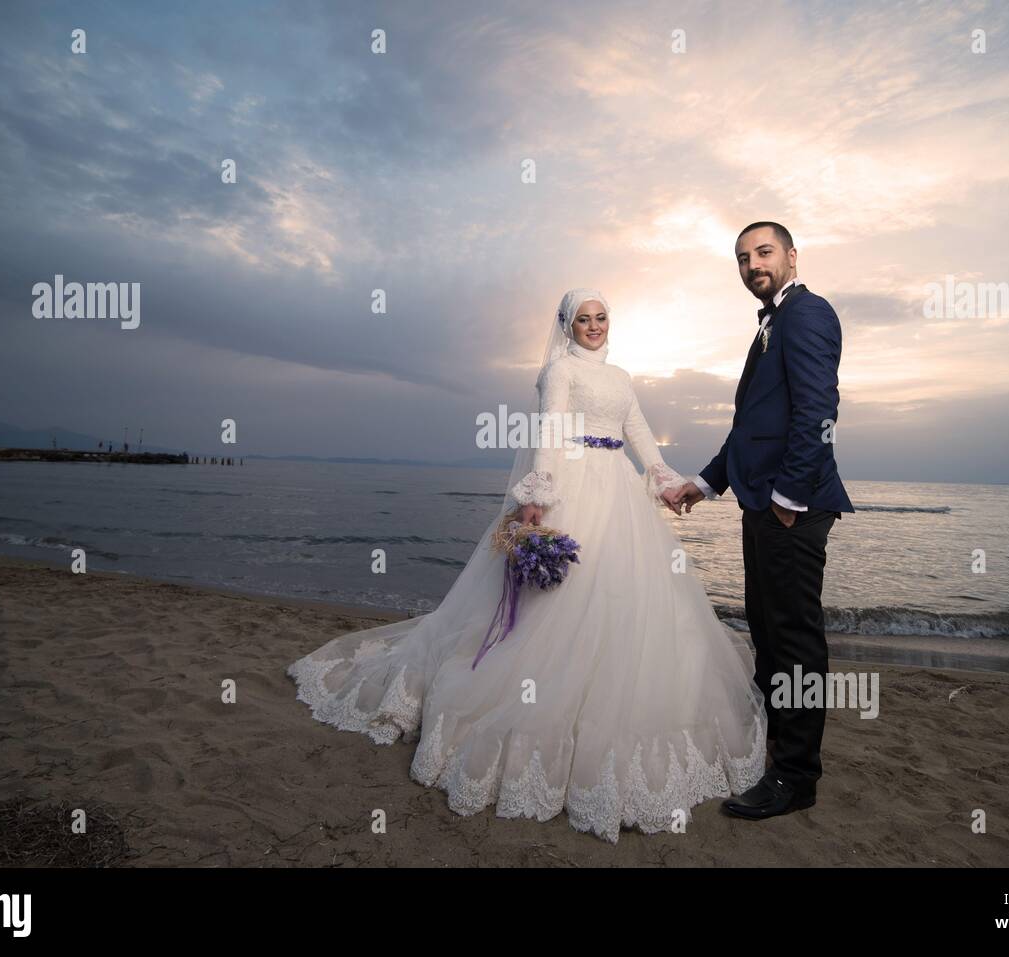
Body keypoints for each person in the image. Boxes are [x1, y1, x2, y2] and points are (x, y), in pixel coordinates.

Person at [288, 288, 768, 842]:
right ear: (567, 326)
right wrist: (538, 495)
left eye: (601, 317)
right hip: (572, 483)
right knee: (563, 599)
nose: (594, 326)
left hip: (617, 489)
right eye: (583, 319)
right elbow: (549, 430)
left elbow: (638, 433)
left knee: (627, 595)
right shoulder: (559, 371)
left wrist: (664, 480)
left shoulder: (621, 377)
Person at [674, 222, 855, 821]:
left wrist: (786, 500)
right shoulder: (768, 325)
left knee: (795, 640)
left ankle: (797, 776)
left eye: (765, 251)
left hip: (791, 510)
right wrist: (703, 485)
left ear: (792, 257)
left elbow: (817, 414)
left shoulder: (807, 314)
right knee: (769, 633)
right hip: (764, 504)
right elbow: (750, 429)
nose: (753, 263)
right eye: (743, 256)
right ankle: (774, 744)